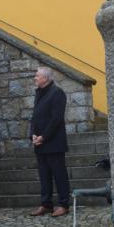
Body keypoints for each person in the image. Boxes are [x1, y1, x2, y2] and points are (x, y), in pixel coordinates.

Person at [28, 67, 71, 218]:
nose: (35, 78)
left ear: (46, 78)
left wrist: (43, 137)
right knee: (44, 175)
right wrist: (32, 134)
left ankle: (63, 204)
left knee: (59, 175)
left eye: (37, 76)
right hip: (39, 143)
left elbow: (56, 119)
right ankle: (46, 204)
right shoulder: (38, 93)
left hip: (54, 142)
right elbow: (34, 117)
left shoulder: (57, 93)